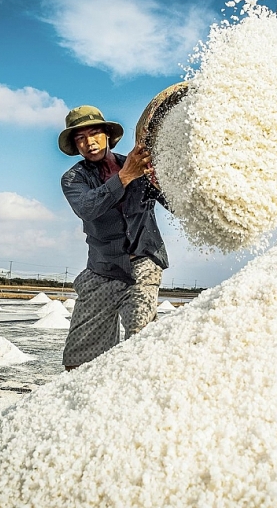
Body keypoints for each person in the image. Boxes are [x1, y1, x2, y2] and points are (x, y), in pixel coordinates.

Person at [58, 105, 169, 371]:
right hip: (102, 271)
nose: (89, 142)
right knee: (78, 360)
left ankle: (139, 399)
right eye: (80, 138)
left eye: (94, 133)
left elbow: (174, 200)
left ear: (107, 135)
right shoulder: (74, 178)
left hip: (143, 264)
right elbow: (87, 207)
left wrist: (165, 172)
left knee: (140, 341)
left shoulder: (142, 168)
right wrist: (126, 175)